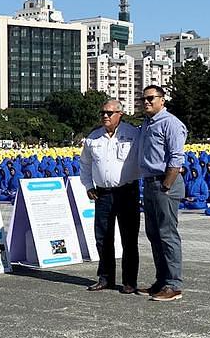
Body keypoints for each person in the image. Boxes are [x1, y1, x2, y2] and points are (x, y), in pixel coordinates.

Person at [78, 99, 141, 294]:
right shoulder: (93, 138)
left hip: (127, 192)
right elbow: (85, 164)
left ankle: (129, 281)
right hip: (103, 193)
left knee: (128, 238)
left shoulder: (133, 134)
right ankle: (106, 278)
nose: (105, 116)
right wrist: (88, 185)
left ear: (120, 114)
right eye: (103, 112)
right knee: (103, 237)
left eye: (109, 113)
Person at [137, 85, 188, 302]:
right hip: (150, 182)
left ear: (162, 100)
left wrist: (166, 185)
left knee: (167, 234)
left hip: (165, 182)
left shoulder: (171, 123)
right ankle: (161, 280)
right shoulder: (147, 124)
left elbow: (176, 157)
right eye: (143, 99)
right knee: (154, 234)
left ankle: (173, 284)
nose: (146, 102)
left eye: (151, 98)